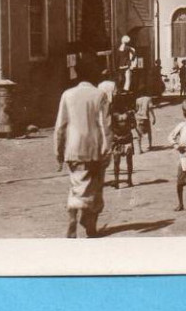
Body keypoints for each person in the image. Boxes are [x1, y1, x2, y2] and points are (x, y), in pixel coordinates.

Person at [54, 56, 111, 238]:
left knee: (76, 184)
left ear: (77, 74)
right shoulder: (100, 95)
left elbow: (60, 126)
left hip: (73, 148)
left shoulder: (67, 94)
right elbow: (105, 125)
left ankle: (72, 216)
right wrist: (107, 149)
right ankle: (90, 225)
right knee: (95, 187)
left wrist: (58, 152)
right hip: (94, 148)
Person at [110, 92, 136, 188]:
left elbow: (110, 127)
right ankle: (129, 180)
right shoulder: (129, 114)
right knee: (129, 161)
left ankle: (117, 181)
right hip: (127, 139)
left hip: (117, 140)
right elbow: (134, 125)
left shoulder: (113, 115)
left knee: (116, 162)